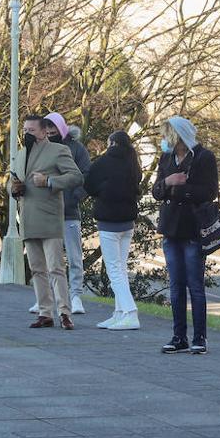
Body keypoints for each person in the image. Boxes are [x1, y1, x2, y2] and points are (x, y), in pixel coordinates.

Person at [10, 115, 84, 330]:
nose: (26, 133)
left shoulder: (58, 151)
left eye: (31, 130)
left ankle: (64, 312)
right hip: (28, 217)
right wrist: (13, 188)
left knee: (56, 268)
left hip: (50, 217)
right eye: (24, 129)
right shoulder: (21, 154)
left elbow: (76, 176)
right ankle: (45, 312)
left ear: (43, 132)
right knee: (37, 269)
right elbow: (11, 181)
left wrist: (50, 181)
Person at [152, 116, 218, 354]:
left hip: (192, 228)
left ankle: (200, 336)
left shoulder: (203, 157)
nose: (163, 140)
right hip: (171, 228)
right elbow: (156, 191)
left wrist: (182, 190)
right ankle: (179, 335)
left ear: (178, 136)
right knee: (176, 285)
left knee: (195, 285)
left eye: (166, 135)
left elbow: (209, 191)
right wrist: (169, 182)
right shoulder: (166, 158)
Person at [83, 130, 143, 331]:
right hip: (128, 221)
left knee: (114, 270)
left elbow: (89, 185)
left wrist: (102, 189)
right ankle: (119, 312)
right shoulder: (132, 162)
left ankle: (130, 312)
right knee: (121, 268)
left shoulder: (103, 162)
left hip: (108, 220)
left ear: (111, 143)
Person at [43, 112, 92, 315]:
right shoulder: (42, 148)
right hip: (47, 210)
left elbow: (86, 175)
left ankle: (76, 295)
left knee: (74, 256)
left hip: (70, 211)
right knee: (49, 258)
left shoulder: (77, 148)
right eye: (48, 130)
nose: (50, 134)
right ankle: (48, 297)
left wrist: (74, 197)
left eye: (54, 130)